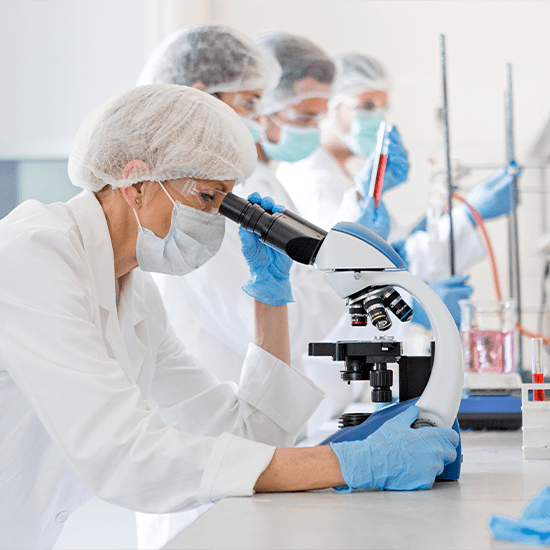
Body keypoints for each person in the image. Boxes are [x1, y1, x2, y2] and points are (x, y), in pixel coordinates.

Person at [0, 83, 460, 550]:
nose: (214, 220)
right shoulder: (32, 256)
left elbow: (248, 432)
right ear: (136, 183)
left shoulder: (134, 292)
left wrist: (271, 297)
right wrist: (348, 464)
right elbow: (124, 455)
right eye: (206, 198)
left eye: (224, 203)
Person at [275, 52, 517, 285]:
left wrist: (438, 217)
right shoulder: (315, 181)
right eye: (367, 106)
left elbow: (393, 246)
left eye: (383, 108)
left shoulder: (342, 173)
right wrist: (471, 213)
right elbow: (352, 270)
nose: (378, 118)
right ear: (331, 106)